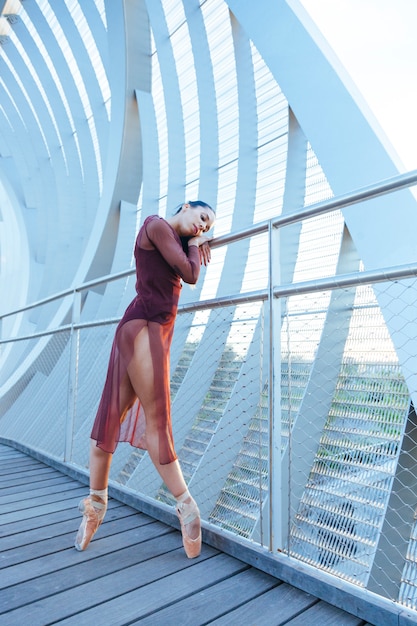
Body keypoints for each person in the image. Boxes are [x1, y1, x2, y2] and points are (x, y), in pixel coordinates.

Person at [75, 201, 216, 558]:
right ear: (185, 206)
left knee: (112, 418)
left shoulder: (172, 237)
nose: (203, 228)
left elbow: (182, 263)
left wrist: (192, 244)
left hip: (144, 329)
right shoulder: (156, 225)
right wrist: (195, 248)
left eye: (207, 227)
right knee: (156, 423)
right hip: (145, 330)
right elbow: (190, 274)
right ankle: (187, 507)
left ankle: (97, 504)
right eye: (202, 218)